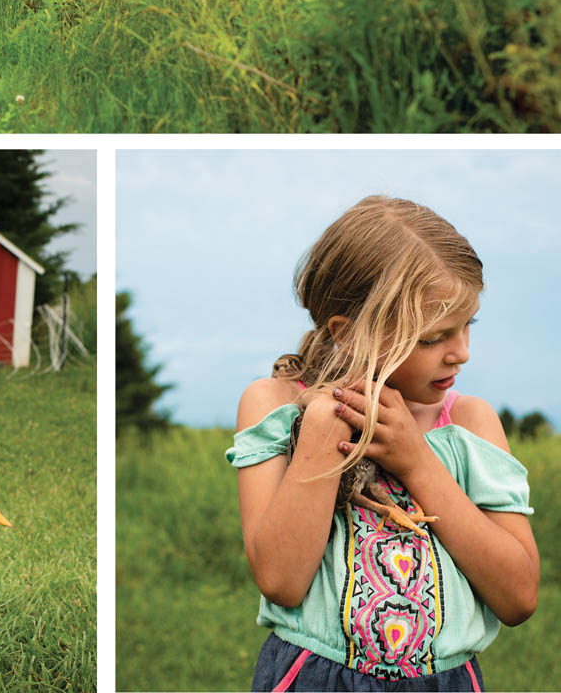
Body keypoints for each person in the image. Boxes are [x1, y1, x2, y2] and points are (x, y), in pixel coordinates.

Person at [228, 196, 538, 692]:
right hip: (312, 678)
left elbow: (519, 596)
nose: (461, 353)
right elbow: (281, 580)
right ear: (347, 335)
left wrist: (418, 463)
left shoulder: (469, 423)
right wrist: (325, 427)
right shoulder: (275, 404)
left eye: (466, 327)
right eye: (433, 338)